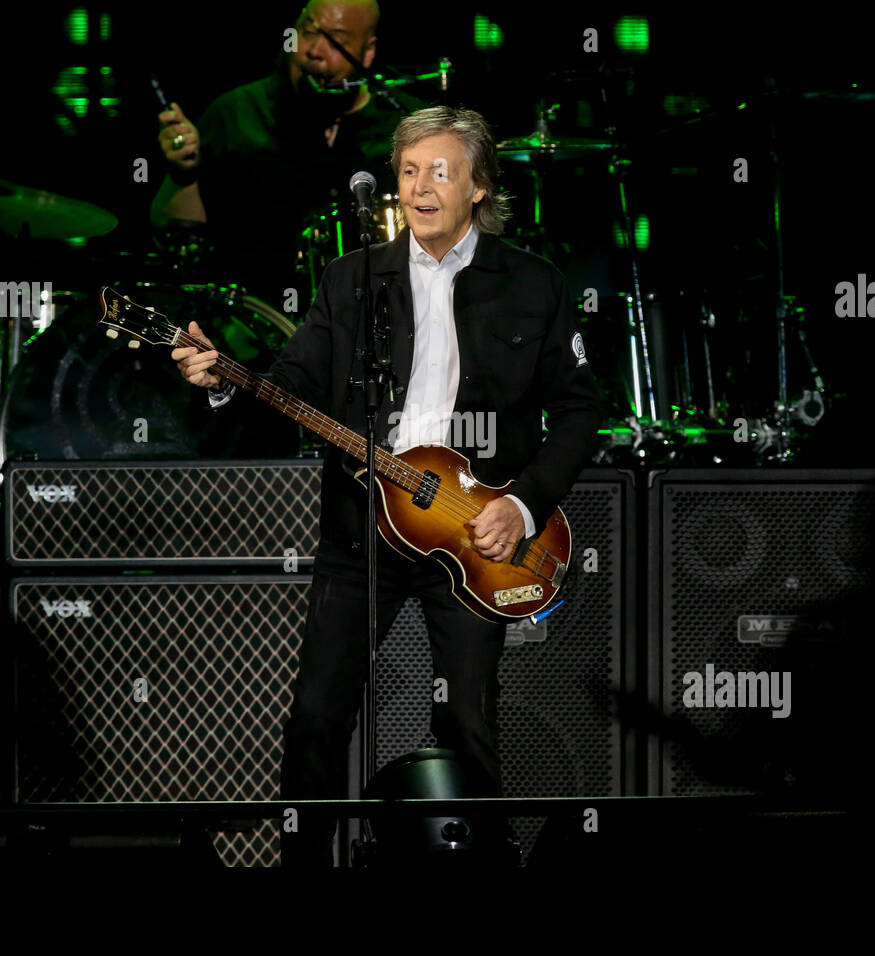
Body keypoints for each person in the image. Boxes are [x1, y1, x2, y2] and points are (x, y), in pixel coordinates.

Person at [172, 105, 603, 866]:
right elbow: (291, 384)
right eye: (408, 172)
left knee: (468, 719)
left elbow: (577, 411)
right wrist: (221, 381)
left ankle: (480, 870)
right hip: (358, 532)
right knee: (314, 715)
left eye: (439, 171)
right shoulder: (351, 282)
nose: (420, 187)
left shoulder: (534, 284)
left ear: (477, 187)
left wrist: (523, 501)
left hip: (475, 533)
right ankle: (306, 873)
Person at [151, 0, 423, 306]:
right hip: (257, 325)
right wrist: (182, 173)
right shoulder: (237, 113)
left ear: (368, 51)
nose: (314, 51)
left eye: (336, 41)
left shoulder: (406, 125)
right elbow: (176, 236)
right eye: (307, 33)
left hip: (383, 321)